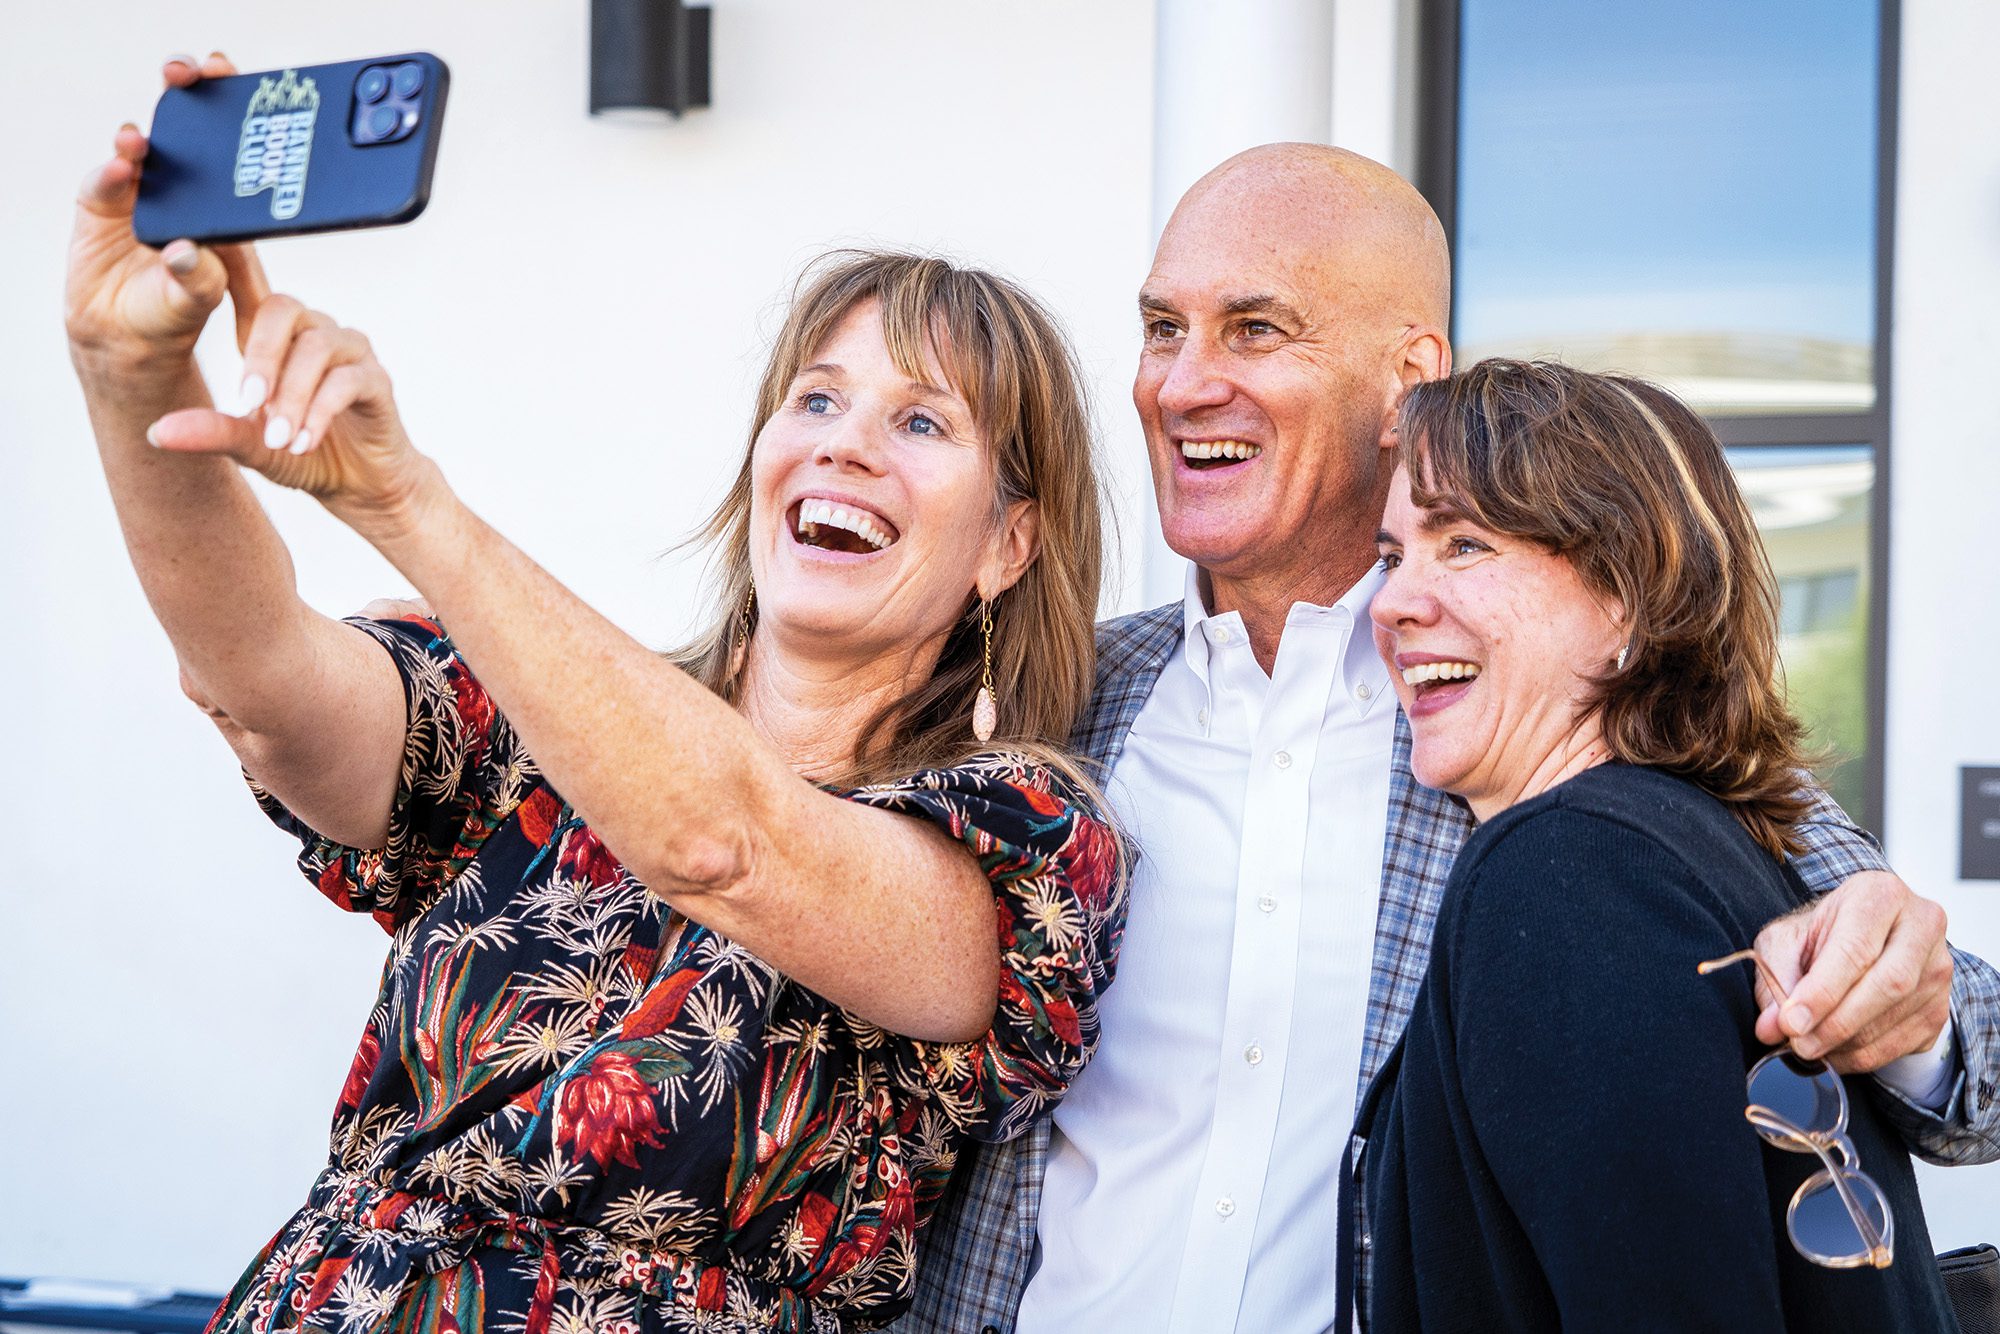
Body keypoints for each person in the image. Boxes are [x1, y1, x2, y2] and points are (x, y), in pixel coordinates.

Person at [67, 56, 1125, 1334]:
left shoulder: (1017, 843)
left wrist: (411, 504)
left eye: (920, 423)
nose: (845, 440)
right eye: (818, 396)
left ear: (1008, 544)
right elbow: (259, 681)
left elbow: (724, 843)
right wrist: (133, 374)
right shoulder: (537, 718)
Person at [899, 143, 2000, 1334]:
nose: (1179, 382)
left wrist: (1908, 997)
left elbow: (1976, 1064)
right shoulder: (1048, 699)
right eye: (1163, 327)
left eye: (1255, 329)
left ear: (1406, 376)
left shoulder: (1549, 733)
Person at [1351, 358, 1961, 1329]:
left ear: (1626, 595)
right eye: (1390, 556)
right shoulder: (1694, 846)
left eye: (1463, 543)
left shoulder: (1564, 873)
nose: (1388, 605)